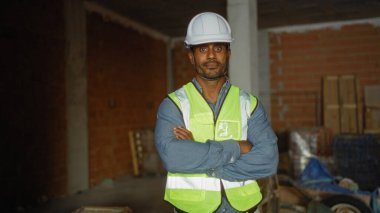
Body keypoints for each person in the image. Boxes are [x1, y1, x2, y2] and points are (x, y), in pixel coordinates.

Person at [154, 12, 278, 213]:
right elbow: (173, 157)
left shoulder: (249, 104)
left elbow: (267, 159)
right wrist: (239, 147)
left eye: (218, 48)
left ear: (228, 53)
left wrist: (196, 152)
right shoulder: (174, 104)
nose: (211, 55)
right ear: (191, 56)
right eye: (203, 48)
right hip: (193, 209)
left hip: (243, 208)